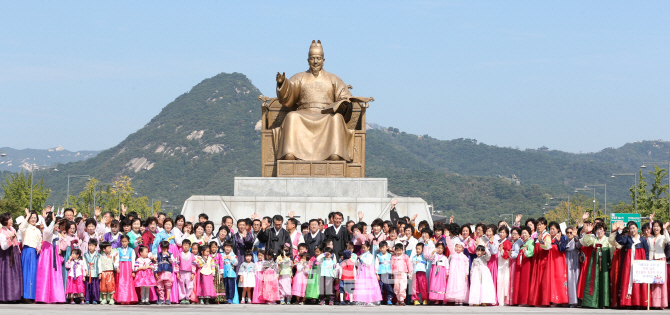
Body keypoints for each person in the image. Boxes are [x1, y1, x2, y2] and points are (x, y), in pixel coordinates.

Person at [615, 220, 650, 307]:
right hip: (629, 263)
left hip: (640, 262)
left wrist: (646, 263)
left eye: (633, 228)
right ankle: (628, 302)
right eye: (630, 229)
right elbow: (619, 240)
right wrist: (619, 230)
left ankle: (639, 302)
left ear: (637, 229)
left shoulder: (643, 240)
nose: (632, 230)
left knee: (639, 280)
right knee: (628, 278)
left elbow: (646, 252)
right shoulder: (627, 239)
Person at [580, 221, 611, 308]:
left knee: (604, 280)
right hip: (595, 264)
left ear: (604, 231)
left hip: (604, 263)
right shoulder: (595, 240)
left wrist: (610, 262)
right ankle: (592, 302)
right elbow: (586, 242)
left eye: (601, 229)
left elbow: (611, 252)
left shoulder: (607, 240)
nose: (599, 231)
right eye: (597, 229)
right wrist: (588, 232)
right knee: (594, 281)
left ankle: (604, 302)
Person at [152, 218, 180, 303]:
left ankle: (171, 298)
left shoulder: (172, 234)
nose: (168, 226)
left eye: (170, 224)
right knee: (161, 279)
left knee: (170, 279)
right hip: (163, 256)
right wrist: (155, 255)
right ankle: (162, 298)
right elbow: (155, 245)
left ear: (172, 226)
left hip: (171, 256)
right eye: (166, 224)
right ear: (163, 225)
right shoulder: (160, 234)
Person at [19, 210, 42, 301]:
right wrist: (27, 216)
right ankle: (25, 295)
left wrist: (39, 247)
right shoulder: (26, 227)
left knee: (34, 274)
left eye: (34, 218)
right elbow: (21, 228)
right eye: (31, 218)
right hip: (27, 251)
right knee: (26, 273)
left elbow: (40, 241)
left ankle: (32, 295)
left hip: (35, 252)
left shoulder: (37, 230)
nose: (33, 219)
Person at [647, 219, 670, 309]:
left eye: (657, 226)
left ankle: (661, 303)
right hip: (651, 260)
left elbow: (668, 240)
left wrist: (665, 229)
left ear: (660, 228)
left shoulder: (663, 237)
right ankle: (652, 303)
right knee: (652, 282)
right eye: (654, 226)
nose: (655, 228)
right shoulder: (649, 238)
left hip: (660, 259)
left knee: (660, 282)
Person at [0, 213, 23, 302]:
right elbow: (3, 246)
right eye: (10, 219)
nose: (11, 220)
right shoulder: (2, 232)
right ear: (5, 220)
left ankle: (14, 296)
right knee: (7, 276)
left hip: (15, 254)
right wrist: (9, 239)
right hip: (6, 256)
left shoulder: (12, 229)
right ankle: (6, 296)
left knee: (15, 275)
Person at [352, 241, 382, 305]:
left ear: (368, 247)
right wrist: (356, 260)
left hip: (368, 273)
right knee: (361, 286)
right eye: (362, 248)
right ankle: (361, 300)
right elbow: (358, 264)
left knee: (369, 285)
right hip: (361, 272)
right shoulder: (362, 255)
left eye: (364, 247)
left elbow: (368, 263)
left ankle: (371, 300)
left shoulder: (370, 255)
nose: (363, 249)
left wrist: (361, 258)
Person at [512, 226, 534, 306]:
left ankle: (526, 300)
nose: (524, 235)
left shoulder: (531, 242)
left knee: (526, 281)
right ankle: (522, 300)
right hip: (523, 263)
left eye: (525, 233)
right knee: (522, 281)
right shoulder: (524, 242)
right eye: (522, 233)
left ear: (529, 233)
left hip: (527, 263)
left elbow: (531, 253)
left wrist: (525, 252)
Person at [445, 236, 469, 305]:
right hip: (453, 273)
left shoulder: (464, 257)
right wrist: (447, 237)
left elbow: (466, 265)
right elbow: (450, 245)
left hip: (461, 273)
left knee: (461, 284)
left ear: (462, 248)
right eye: (456, 247)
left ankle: (460, 299)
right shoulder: (453, 254)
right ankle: (455, 299)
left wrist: (466, 274)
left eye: (459, 247)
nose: (457, 248)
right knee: (454, 284)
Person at [115, 235, 138, 304]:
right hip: (121, 267)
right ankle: (121, 298)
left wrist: (133, 270)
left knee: (129, 282)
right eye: (122, 241)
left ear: (128, 241)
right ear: (120, 242)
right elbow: (116, 259)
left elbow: (133, 260)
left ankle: (129, 298)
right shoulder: (118, 250)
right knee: (121, 282)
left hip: (128, 267)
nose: (124, 243)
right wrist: (117, 267)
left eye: (125, 241)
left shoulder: (131, 250)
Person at [564, 226, 582, 307]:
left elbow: (579, 246)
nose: (569, 234)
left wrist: (576, 236)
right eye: (567, 232)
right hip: (566, 260)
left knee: (575, 280)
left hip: (574, 261)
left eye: (571, 232)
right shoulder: (565, 240)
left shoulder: (576, 239)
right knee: (567, 280)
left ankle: (575, 301)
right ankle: (567, 300)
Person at [176, 239, 196, 304]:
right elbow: (177, 263)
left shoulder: (192, 255)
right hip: (181, 272)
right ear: (182, 246)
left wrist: (193, 273)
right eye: (184, 245)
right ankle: (182, 298)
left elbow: (194, 264)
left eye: (187, 245)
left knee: (189, 285)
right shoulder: (179, 255)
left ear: (189, 247)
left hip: (189, 272)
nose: (186, 247)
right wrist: (177, 272)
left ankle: (187, 297)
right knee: (181, 285)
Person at [496, 226, 512, 305]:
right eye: (500, 232)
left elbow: (506, 256)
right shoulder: (498, 241)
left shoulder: (507, 243)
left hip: (503, 264)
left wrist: (501, 250)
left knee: (502, 281)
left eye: (503, 232)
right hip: (498, 262)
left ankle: (502, 300)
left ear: (506, 234)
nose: (501, 234)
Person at [83, 238, 100, 304]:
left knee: (95, 288)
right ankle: (87, 299)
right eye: (89, 245)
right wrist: (85, 271)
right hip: (88, 273)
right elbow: (84, 263)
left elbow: (99, 264)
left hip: (95, 273)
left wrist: (100, 273)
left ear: (95, 247)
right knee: (88, 287)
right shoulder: (85, 255)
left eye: (92, 246)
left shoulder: (98, 255)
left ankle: (95, 299)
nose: (90, 247)